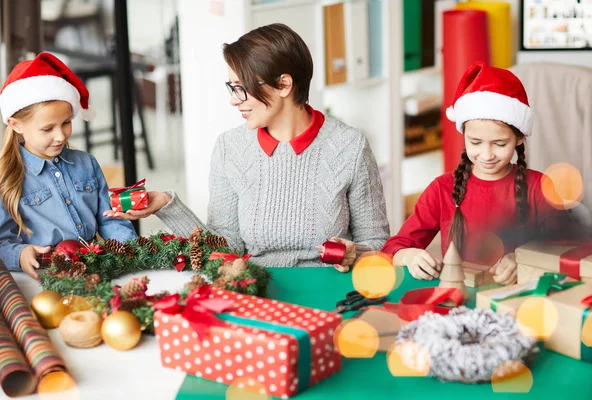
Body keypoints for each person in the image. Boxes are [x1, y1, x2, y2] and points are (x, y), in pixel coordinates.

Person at [105, 23, 390, 270]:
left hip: (330, 289)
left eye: (241, 88)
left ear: (284, 85)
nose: (234, 100)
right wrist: (166, 206)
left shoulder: (349, 146)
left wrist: (355, 253)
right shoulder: (231, 148)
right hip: (257, 286)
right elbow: (223, 250)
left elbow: (379, 243)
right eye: (231, 88)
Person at [382, 61, 567, 285]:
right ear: (464, 134)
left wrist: (524, 260)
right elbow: (393, 248)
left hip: (520, 302)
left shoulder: (540, 186)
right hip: (458, 301)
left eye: (499, 144)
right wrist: (408, 256)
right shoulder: (442, 189)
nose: (486, 154)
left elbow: (564, 248)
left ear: (519, 139)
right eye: (476, 142)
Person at [0, 52, 137, 279]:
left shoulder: (87, 164)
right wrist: (20, 254)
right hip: (44, 277)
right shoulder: (3, 179)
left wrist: (126, 249)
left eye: (67, 123)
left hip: (94, 270)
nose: (60, 136)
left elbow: (110, 218)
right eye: (48, 129)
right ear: (15, 124)